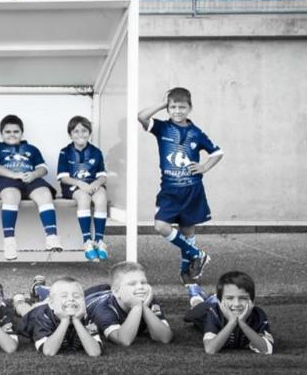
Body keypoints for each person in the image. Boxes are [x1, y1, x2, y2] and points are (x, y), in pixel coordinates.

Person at [138, 87, 223, 283]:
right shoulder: (162, 128)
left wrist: (204, 167)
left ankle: (186, 273)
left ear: (190, 108)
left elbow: (217, 152)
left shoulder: (196, 133)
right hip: (169, 190)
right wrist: (162, 103)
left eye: (182, 107)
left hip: (192, 190)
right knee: (161, 226)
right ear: (168, 108)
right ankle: (198, 254)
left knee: (187, 231)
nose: (177, 111)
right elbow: (141, 116)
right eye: (173, 107)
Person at [0, 114, 61, 260]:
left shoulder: (31, 149)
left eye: (16, 131)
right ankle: (9, 242)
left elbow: (43, 168)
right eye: (8, 132)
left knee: (44, 193)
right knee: (11, 195)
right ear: (1, 133)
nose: (12, 135)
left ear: (22, 133)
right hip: (7, 181)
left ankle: (51, 236)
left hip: (29, 179)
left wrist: (34, 174)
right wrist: (13, 175)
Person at [183, 271, 274, 355]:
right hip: (205, 312)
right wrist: (232, 322)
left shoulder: (258, 315)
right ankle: (196, 295)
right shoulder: (214, 313)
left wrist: (242, 323)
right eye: (230, 298)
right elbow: (210, 349)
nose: (236, 304)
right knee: (195, 307)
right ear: (220, 302)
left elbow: (267, 350)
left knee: (224, 301)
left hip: (222, 304)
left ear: (253, 301)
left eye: (243, 298)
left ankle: (217, 297)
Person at [85, 261, 173, 346]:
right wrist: (137, 307)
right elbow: (124, 341)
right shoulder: (104, 309)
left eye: (143, 282)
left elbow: (164, 338)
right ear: (116, 292)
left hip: (109, 291)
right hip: (92, 296)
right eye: (132, 284)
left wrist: (144, 307)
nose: (140, 287)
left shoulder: (147, 299)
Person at [57, 116, 108, 261]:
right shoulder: (65, 152)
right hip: (73, 187)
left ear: (90, 133)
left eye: (84, 131)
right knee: (84, 198)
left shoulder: (96, 152)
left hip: (92, 185)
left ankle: (99, 240)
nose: (80, 134)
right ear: (70, 134)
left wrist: (96, 184)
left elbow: (103, 176)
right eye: (76, 131)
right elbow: (63, 177)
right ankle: (87, 240)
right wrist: (81, 184)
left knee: (101, 197)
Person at [16, 277, 102, 356]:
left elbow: (95, 352)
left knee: (46, 300)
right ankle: (19, 300)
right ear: (51, 304)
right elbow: (49, 351)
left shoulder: (86, 315)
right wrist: (65, 320)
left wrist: (76, 320)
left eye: (77, 296)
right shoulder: (42, 316)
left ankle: (41, 289)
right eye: (64, 296)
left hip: (53, 304)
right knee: (26, 310)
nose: (71, 299)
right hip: (37, 313)